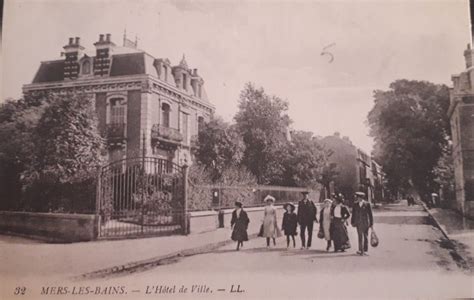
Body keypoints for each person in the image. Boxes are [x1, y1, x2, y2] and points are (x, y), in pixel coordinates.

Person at [351, 192, 374, 256]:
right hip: (358, 223)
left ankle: (365, 250)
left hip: (365, 222)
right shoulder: (355, 204)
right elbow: (353, 214)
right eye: (357, 198)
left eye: (358, 197)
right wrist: (352, 222)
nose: (357, 199)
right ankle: (361, 250)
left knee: (365, 236)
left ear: (361, 198)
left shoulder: (367, 204)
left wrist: (371, 223)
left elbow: (370, 214)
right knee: (360, 236)